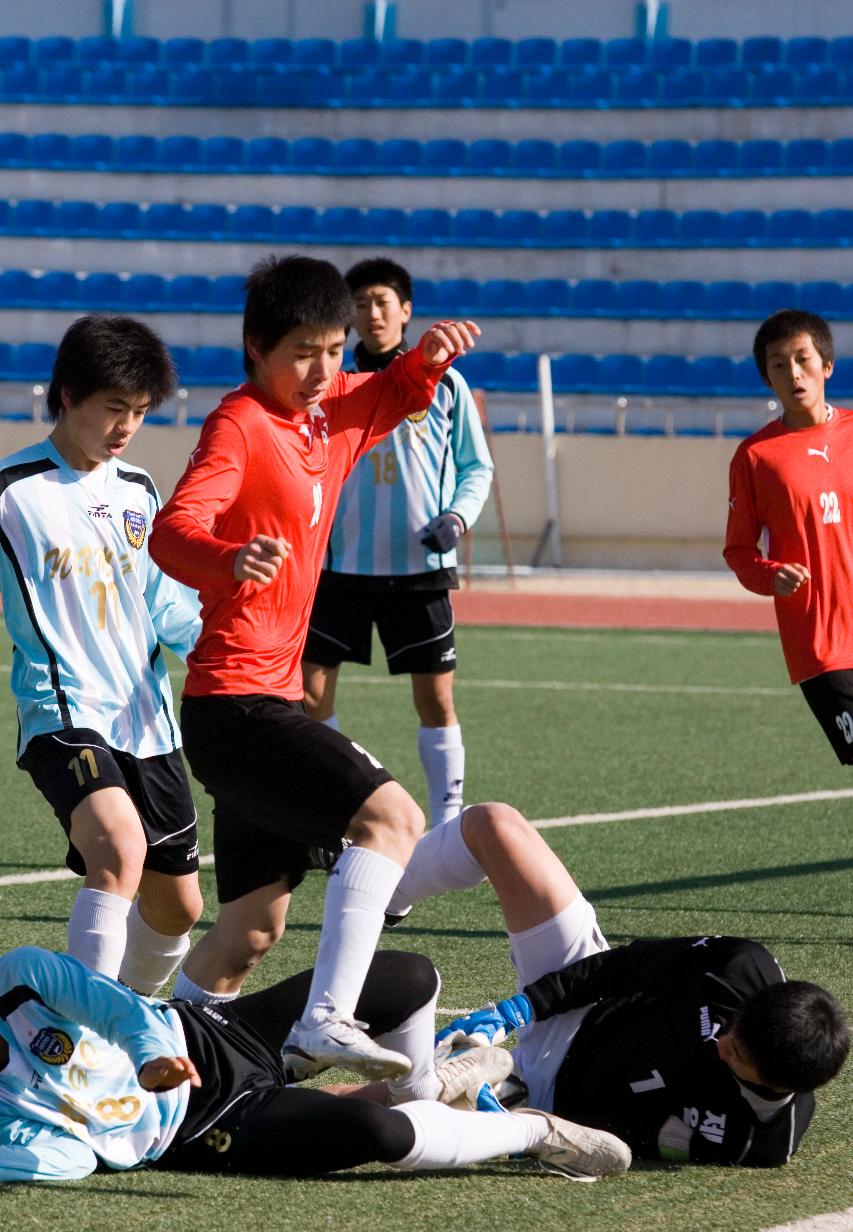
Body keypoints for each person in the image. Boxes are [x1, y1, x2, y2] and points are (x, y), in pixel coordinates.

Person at [148, 254, 481, 1081]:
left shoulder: (326, 411)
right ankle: (323, 1021)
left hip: (265, 704)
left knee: (250, 932)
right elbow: (172, 530)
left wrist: (428, 357)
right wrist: (231, 559)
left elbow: (394, 392)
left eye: (333, 349)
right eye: (303, 350)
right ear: (256, 346)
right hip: (235, 706)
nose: (321, 368)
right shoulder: (240, 426)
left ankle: (153, 1054)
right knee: (393, 821)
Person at [390, 803, 850, 1166]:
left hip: (553, 1101)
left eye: (740, 1052)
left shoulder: (758, 1141)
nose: (722, 1039)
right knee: (496, 824)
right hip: (585, 1010)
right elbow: (623, 967)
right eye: (733, 1025)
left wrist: (518, 1118)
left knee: (407, 1105)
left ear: (774, 1082)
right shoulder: (742, 969)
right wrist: (521, 1009)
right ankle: (380, 899)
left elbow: (627, 1138)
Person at [0, 943, 631, 1183]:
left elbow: (119, 1011)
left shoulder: (18, 975)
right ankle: (533, 1132)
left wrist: (154, 1059)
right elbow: (74, 1158)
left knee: (408, 977)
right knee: (376, 1134)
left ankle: (432, 1081)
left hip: (209, 1035)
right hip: (201, 1130)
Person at [0, 315, 203, 994]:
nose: (126, 426)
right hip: (61, 711)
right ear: (66, 395)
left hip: (147, 718)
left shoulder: (138, 490)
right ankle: (80, 1049)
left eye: (140, 412)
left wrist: (217, 648)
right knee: (118, 847)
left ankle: (125, 1023)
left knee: (179, 907)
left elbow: (164, 601)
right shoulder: (13, 492)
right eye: (113, 407)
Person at [302, 258, 494, 830]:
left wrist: (457, 519)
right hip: (340, 567)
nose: (372, 313)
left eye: (383, 301)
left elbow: (475, 468)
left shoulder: (447, 384)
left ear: (407, 311)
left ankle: (447, 824)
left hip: (420, 570)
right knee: (310, 698)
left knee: (435, 701)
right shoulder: (333, 386)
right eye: (360, 304)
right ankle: (345, 806)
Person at [724, 308, 853, 763]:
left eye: (803, 359)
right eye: (779, 364)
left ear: (827, 365)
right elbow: (739, 551)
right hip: (821, 643)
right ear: (767, 378)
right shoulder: (755, 457)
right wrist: (769, 574)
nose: (794, 373)